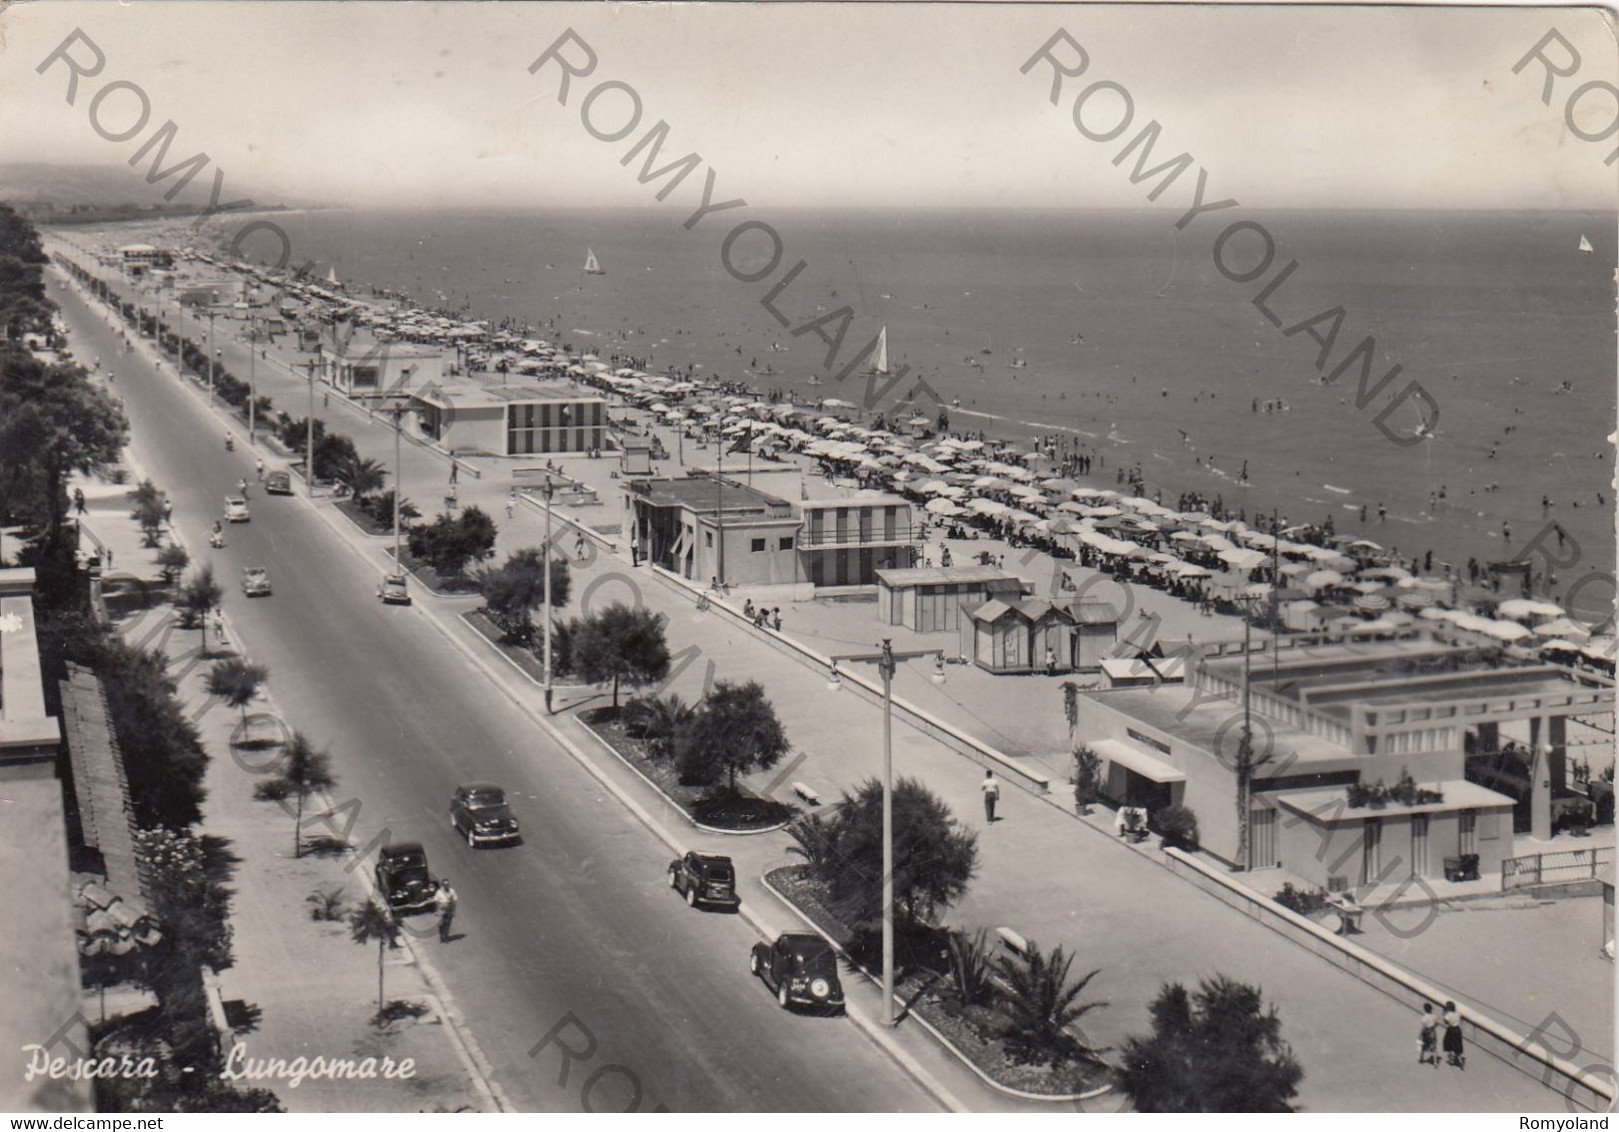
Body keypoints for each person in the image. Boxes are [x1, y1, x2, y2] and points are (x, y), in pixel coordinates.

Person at [1442, 1001, 1464, 1068]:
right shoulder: (1457, 1013)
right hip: (1458, 1030)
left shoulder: (1448, 1015)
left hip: (1451, 1030)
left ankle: (1451, 1060)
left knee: (1449, 1044)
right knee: (1457, 1044)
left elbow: (1446, 1022)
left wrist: (1444, 1014)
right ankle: (1460, 1060)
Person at [435, 879, 458, 944]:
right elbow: (436, 901)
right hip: (441, 909)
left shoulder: (452, 891)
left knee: (448, 923)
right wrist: (437, 910)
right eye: (445, 884)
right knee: (441, 923)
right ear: (442, 885)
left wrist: (453, 910)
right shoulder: (439, 892)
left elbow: (454, 901)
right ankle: (441, 935)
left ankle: (446, 936)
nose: (446, 886)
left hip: (449, 908)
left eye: (447, 884)